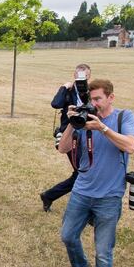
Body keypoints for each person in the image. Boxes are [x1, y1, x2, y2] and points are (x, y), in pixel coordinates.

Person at [57, 78, 134, 267]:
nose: (93, 104)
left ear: (110, 97)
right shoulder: (83, 120)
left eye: (97, 99)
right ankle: (80, 265)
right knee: (67, 235)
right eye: (90, 100)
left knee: (103, 250)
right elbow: (63, 149)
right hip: (82, 190)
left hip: (109, 196)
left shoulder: (124, 117)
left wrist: (102, 128)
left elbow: (130, 146)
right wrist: (73, 123)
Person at [40, 64, 91, 212]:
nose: (83, 79)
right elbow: (55, 104)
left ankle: (49, 196)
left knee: (82, 172)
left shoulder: (90, 91)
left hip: (87, 134)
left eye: (86, 76)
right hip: (69, 136)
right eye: (80, 76)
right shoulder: (68, 92)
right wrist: (63, 87)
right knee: (81, 173)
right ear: (74, 75)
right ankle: (50, 196)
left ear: (89, 76)